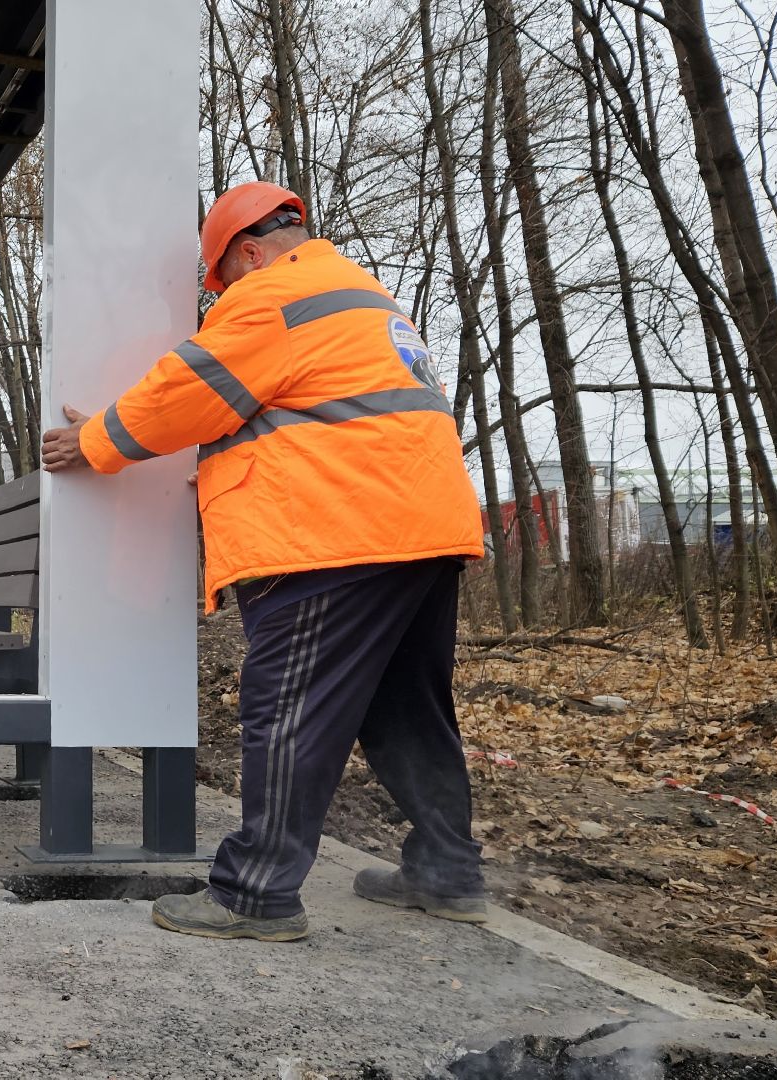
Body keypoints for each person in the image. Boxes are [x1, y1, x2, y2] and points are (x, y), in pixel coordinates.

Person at [41, 181, 486, 942]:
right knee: (406, 710)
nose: (224, 297)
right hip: (424, 527)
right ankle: (448, 870)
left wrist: (94, 443)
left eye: (223, 282)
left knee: (286, 711)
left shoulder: (276, 295)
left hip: (336, 538)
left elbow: (187, 389)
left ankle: (256, 892)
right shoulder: (368, 299)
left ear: (248, 252)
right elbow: (323, 419)